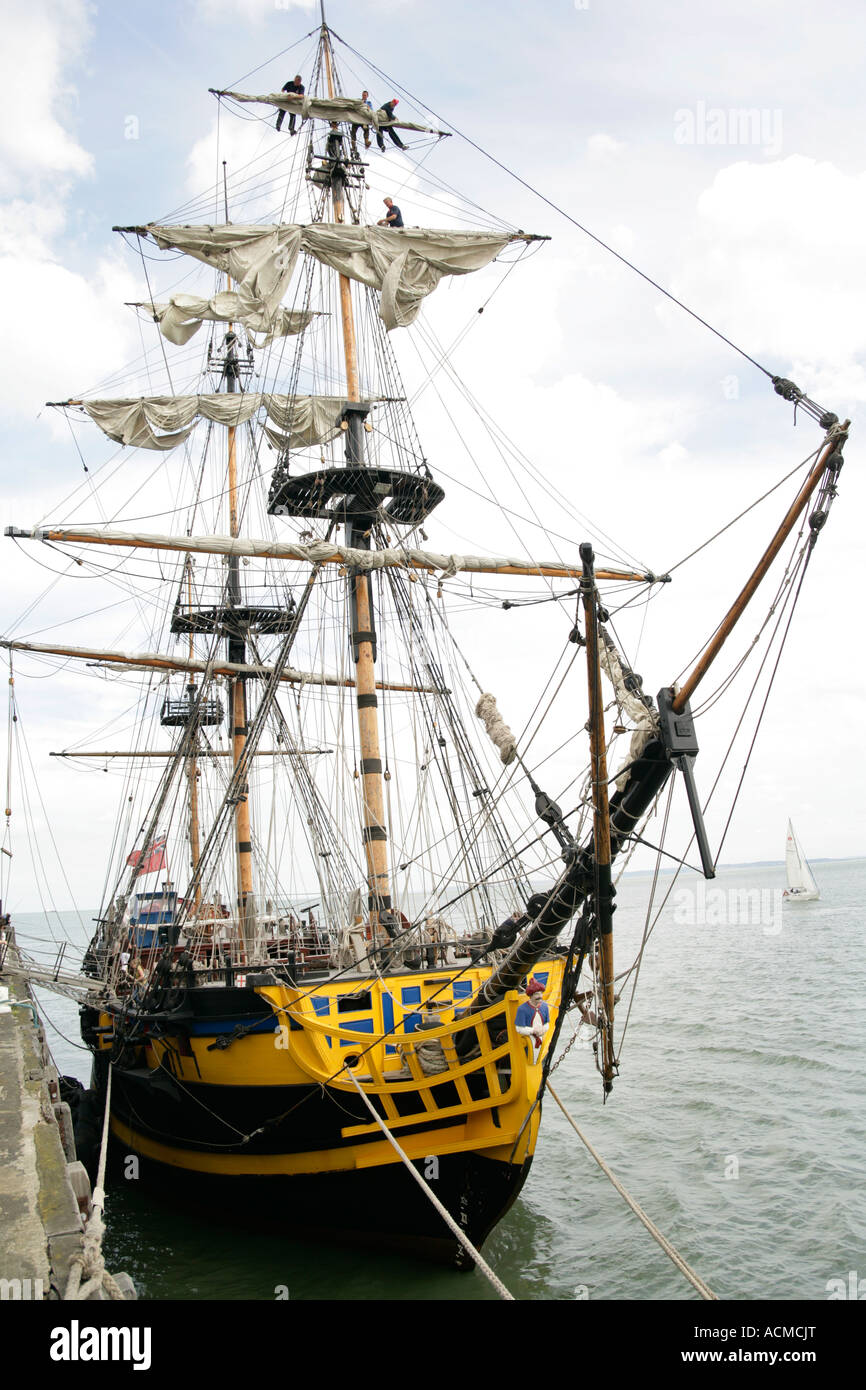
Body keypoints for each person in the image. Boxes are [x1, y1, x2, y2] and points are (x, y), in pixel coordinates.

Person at [515, 977, 550, 1052]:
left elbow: (547, 1024)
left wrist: (543, 1029)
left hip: (541, 1038)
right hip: (527, 1041)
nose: (540, 996)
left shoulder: (544, 1006)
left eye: (541, 993)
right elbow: (519, 1028)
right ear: (530, 995)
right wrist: (533, 1030)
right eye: (536, 994)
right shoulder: (522, 1009)